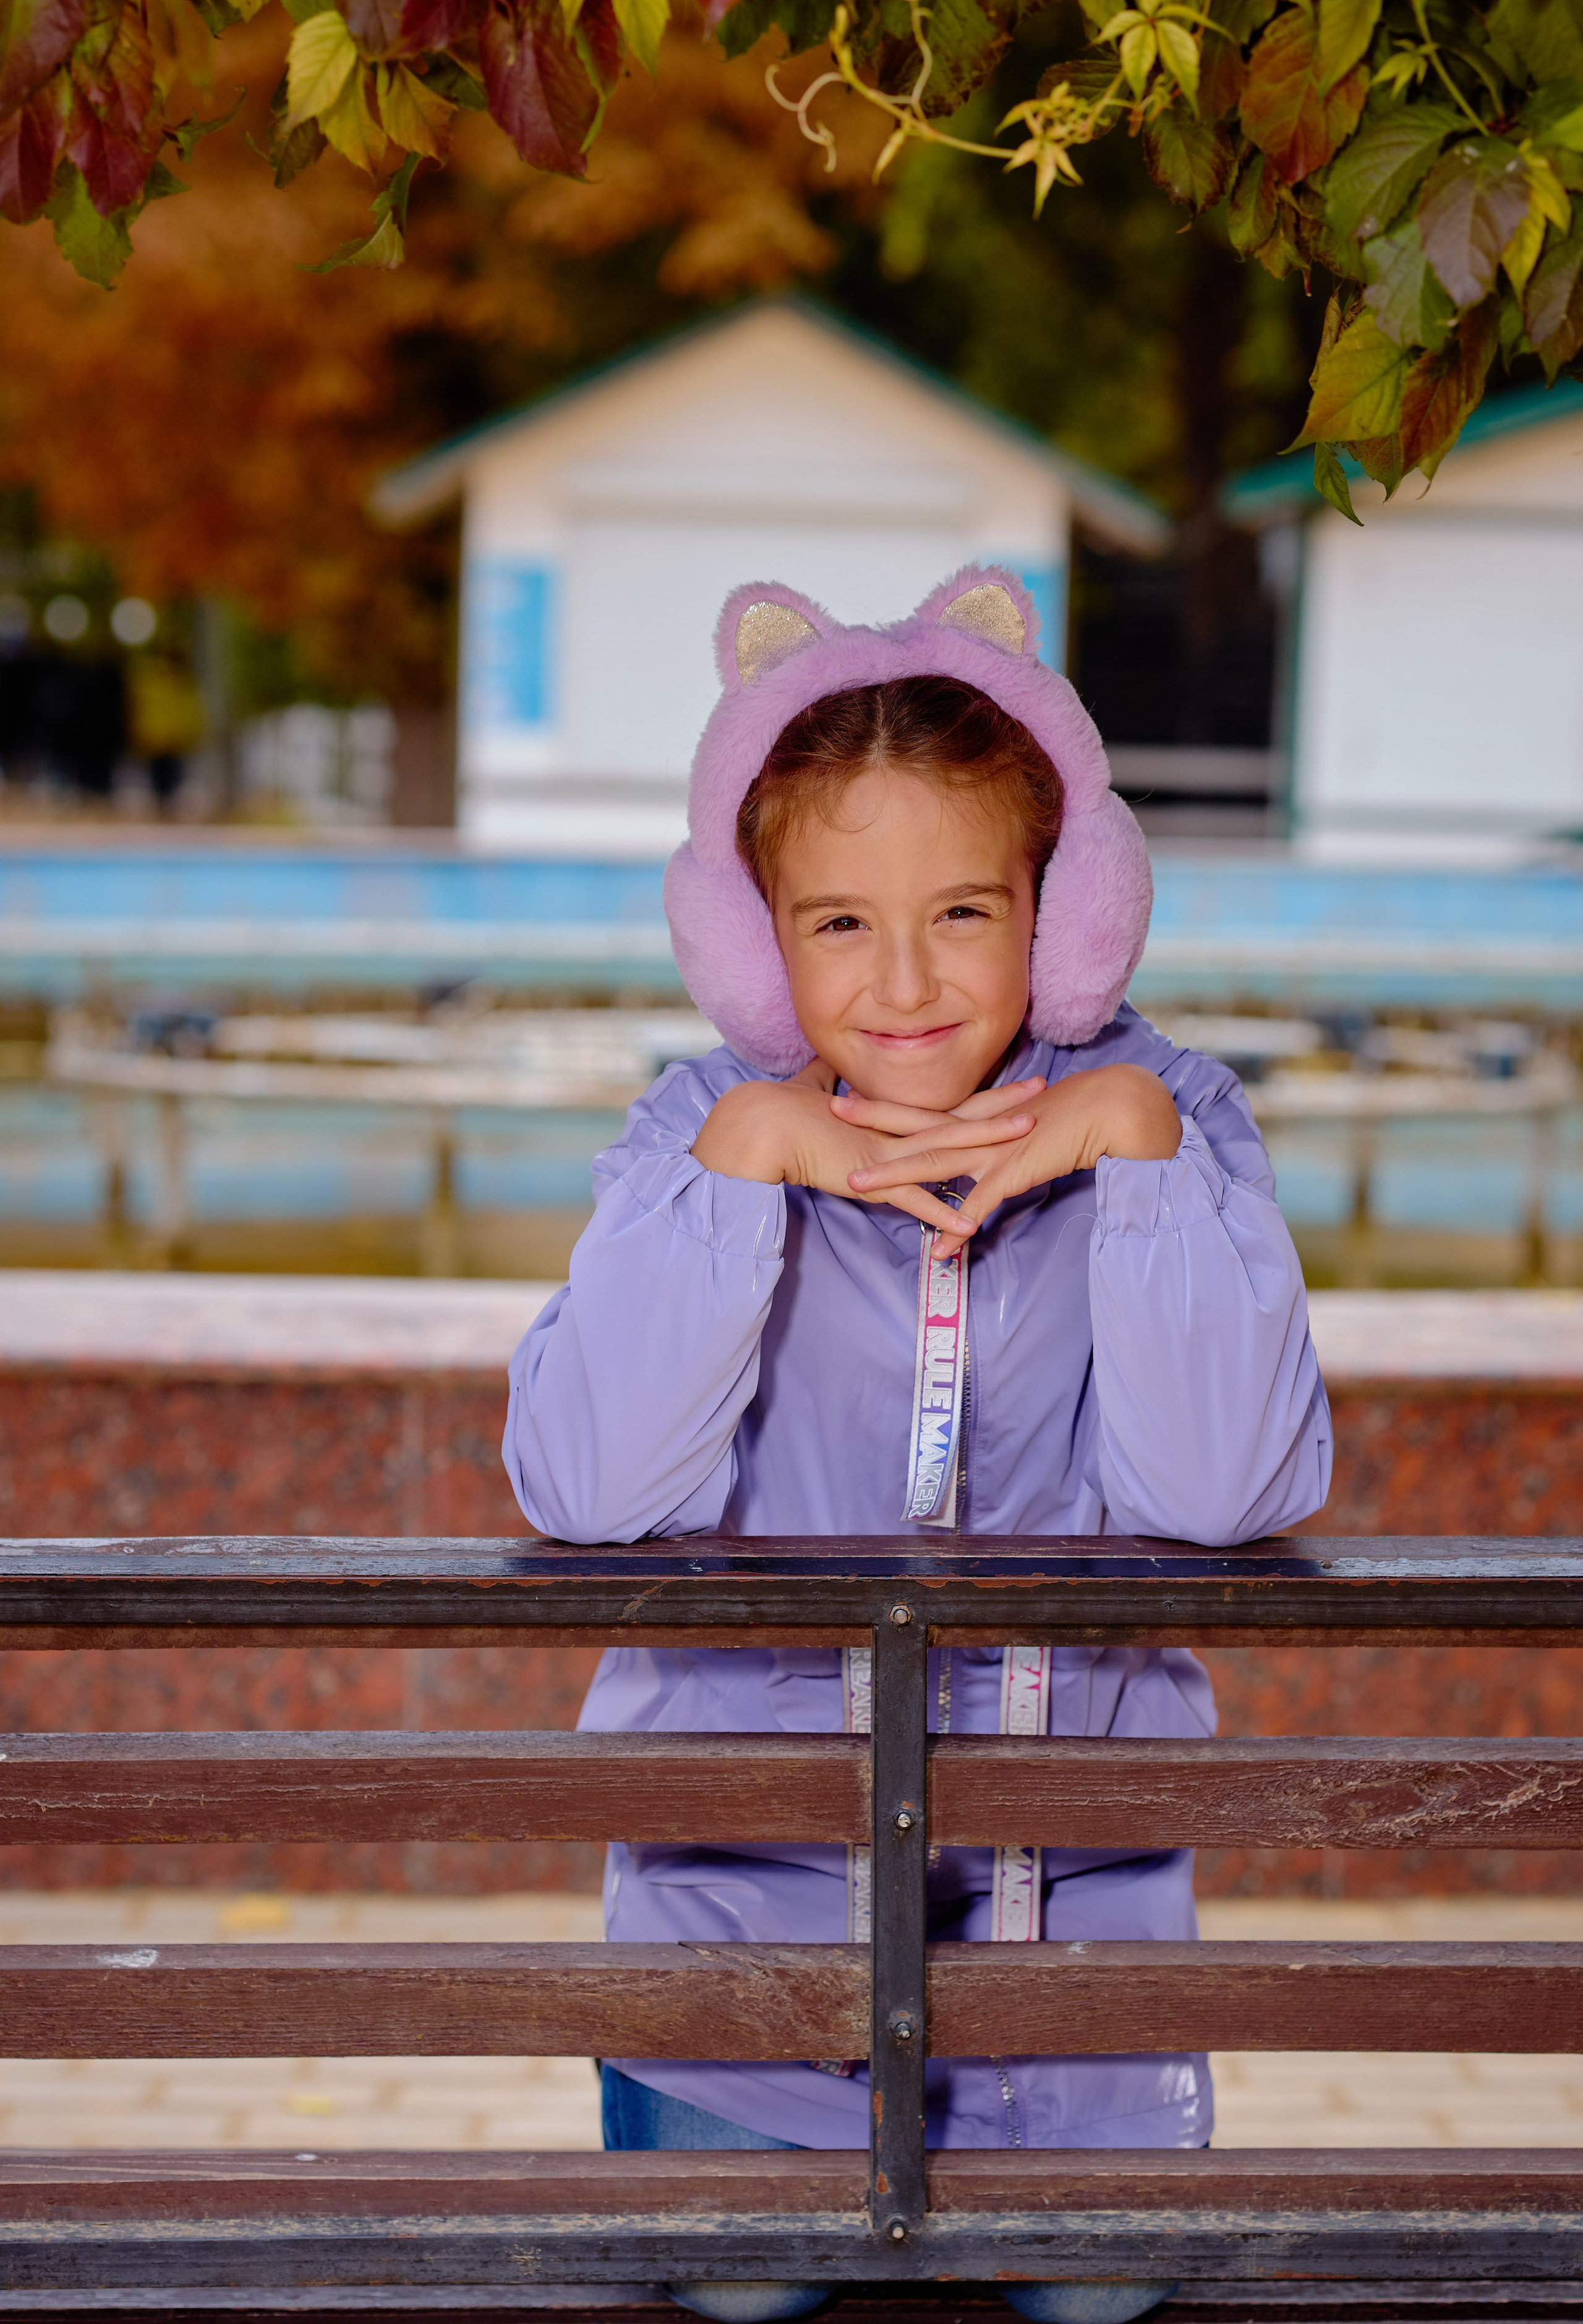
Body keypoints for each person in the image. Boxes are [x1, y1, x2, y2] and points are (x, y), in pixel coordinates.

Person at [503, 568, 1332, 2324]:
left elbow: (1222, 1494)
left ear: (1066, 912)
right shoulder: (689, 1138)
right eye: (835, 925)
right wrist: (741, 1177)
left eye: (963, 910)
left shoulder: (1172, 1124)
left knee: (1093, 2300)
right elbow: (586, 1492)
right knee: (748, 2297)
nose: (903, 985)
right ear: (751, 942)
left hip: (1072, 1945)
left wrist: (1139, 1162)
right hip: (747, 1934)